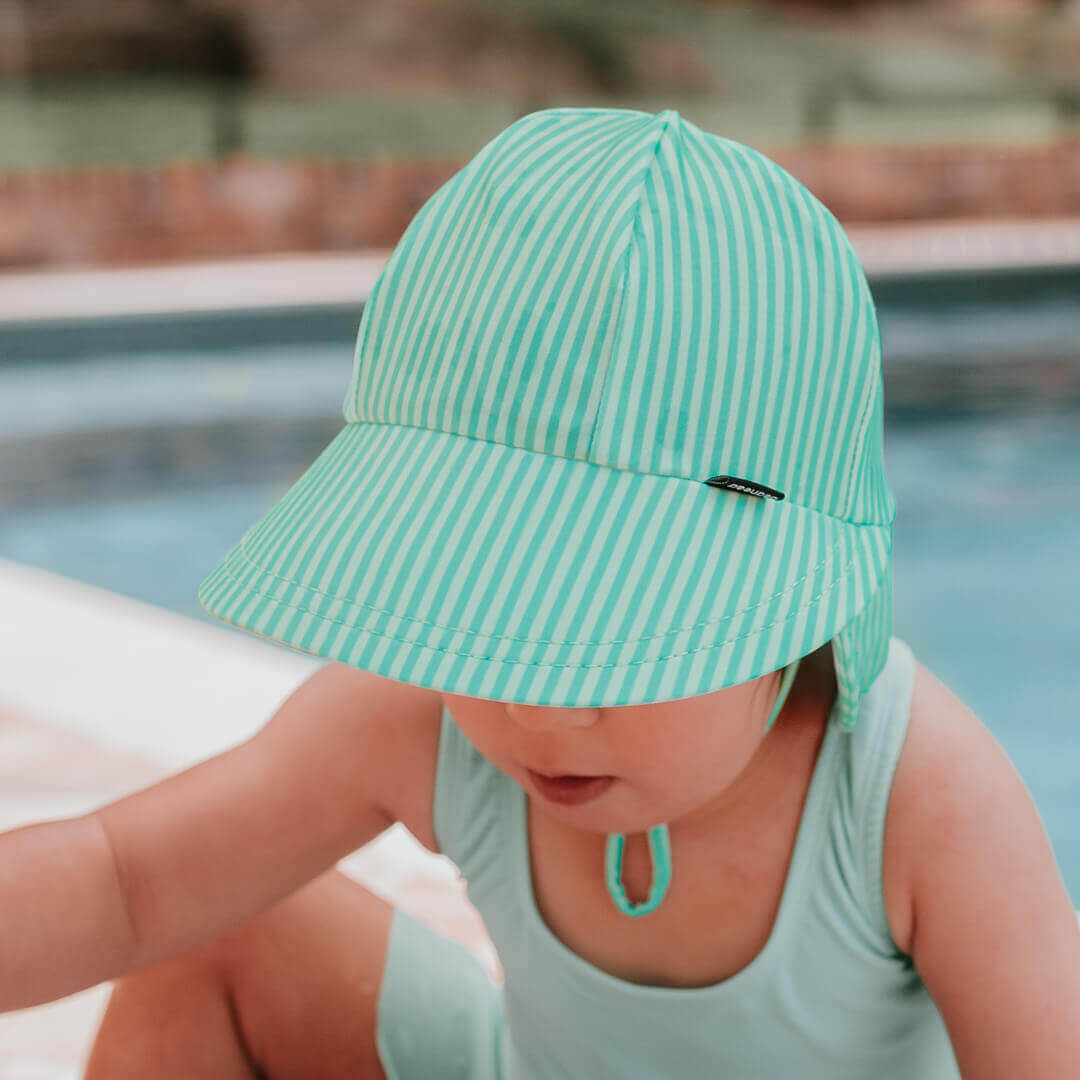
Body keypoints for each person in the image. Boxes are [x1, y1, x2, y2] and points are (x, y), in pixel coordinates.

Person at [3, 107, 1078, 1079]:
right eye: (494, 613)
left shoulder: (911, 794)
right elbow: (125, 883)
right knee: (221, 933)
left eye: (620, 636)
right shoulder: (422, 718)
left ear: (790, 605)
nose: (538, 703)